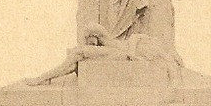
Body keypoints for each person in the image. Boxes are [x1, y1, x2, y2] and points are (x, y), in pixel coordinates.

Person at [26, 24, 182, 86]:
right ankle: (44, 78)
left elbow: (167, 63)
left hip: (118, 55)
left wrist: (133, 55)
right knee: (77, 53)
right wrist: (133, 52)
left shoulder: (154, 50)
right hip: (117, 52)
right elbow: (135, 39)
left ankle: (43, 78)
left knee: (77, 53)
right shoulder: (143, 41)